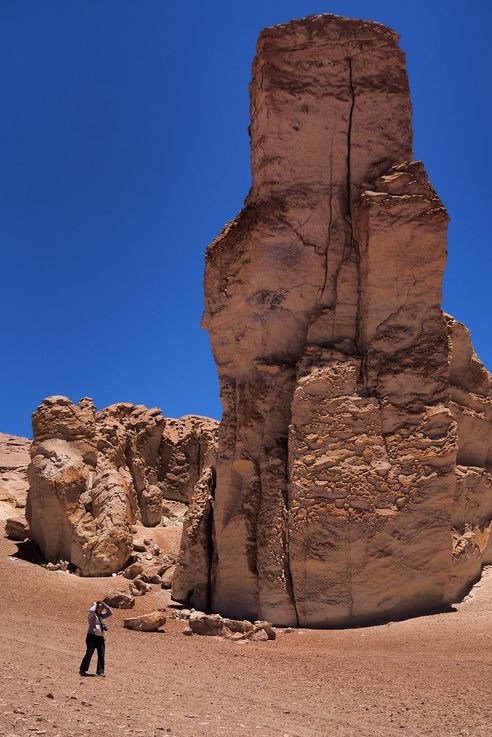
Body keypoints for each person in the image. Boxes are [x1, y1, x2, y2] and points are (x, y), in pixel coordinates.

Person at [79, 600, 113, 677]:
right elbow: (91, 611)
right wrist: (95, 604)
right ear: (96, 608)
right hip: (92, 637)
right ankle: (83, 669)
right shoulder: (92, 615)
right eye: (99, 608)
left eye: (102, 608)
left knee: (101, 654)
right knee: (89, 653)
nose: (101, 609)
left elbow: (110, 613)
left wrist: (105, 605)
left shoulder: (101, 616)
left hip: (100, 638)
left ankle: (100, 671)